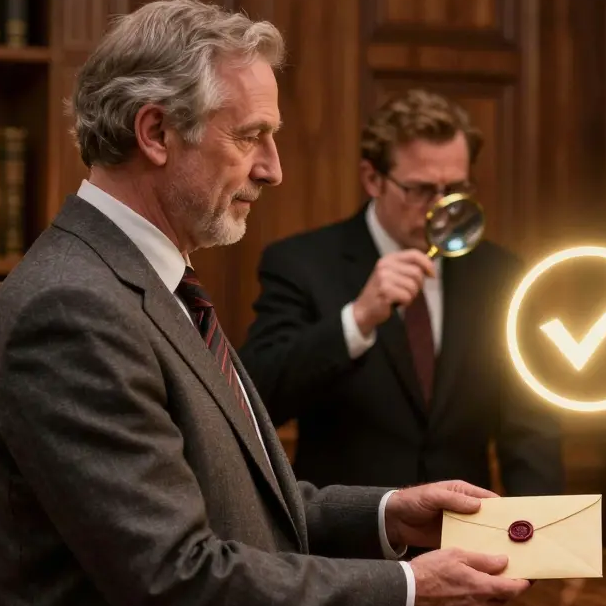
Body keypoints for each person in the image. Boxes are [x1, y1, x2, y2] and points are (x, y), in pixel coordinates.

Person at [0, 0, 529, 606]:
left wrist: (388, 513)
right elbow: (174, 578)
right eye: (251, 136)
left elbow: (245, 504)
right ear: (156, 132)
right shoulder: (73, 305)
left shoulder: (149, 280)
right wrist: (406, 591)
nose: (273, 169)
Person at [239, 89, 563, 496]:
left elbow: (530, 429)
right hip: (345, 544)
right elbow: (258, 397)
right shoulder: (301, 263)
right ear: (373, 179)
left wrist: (537, 539)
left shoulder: (500, 274)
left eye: (457, 189)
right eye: (422, 190)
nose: (441, 209)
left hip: (461, 534)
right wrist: (356, 320)